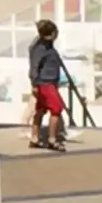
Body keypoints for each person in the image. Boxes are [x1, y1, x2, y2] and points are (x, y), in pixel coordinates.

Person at [28, 20, 67, 151]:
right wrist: (34, 83)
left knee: (41, 109)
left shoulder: (46, 45)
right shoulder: (40, 48)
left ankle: (35, 138)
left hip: (49, 82)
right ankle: (52, 139)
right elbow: (34, 67)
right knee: (56, 108)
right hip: (45, 83)